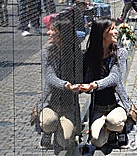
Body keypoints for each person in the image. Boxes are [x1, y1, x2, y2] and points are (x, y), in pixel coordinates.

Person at [79, 18, 131, 150]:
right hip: (99, 108)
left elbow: (114, 78)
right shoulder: (89, 56)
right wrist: (80, 87)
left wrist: (94, 85)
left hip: (117, 104)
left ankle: (119, 129)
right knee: (96, 141)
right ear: (102, 33)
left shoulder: (120, 53)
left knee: (113, 121)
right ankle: (110, 133)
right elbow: (87, 80)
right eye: (112, 29)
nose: (116, 32)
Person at [37, 17, 82, 155]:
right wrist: (66, 85)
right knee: (48, 122)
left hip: (68, 106)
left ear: (62, 34)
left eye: (52, 30)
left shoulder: (75, 54)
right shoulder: (47, 52)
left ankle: (59, 133)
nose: (48, 33)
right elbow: (50, 78)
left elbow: (80, 76)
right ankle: (48, 130)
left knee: (65, 140)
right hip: (51, 103)